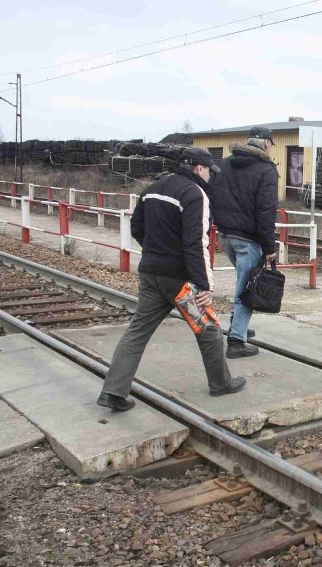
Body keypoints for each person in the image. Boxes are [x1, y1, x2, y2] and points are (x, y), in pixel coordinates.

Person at [96, 148, 246, 412]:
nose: (210, 175)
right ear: (199, 168)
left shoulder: (152, 188)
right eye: (209, 170)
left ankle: (113, 391)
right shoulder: (194, 194)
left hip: (151, 274)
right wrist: (205, 286)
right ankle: (221, 384)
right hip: (180, 282)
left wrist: (155, 253)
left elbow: (137, 228)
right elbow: (196, 243)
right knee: (209, 330)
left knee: (137, 332)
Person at [211, 126, 279, 358]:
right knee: (248, 287)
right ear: (267, 144)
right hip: (247, 238)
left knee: (243, 282)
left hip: (225, 234)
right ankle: (236, 341)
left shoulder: (226, 164)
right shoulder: (266, 170)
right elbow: (266, 212)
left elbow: (214, 196)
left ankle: (238, 326)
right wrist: (270, 248)